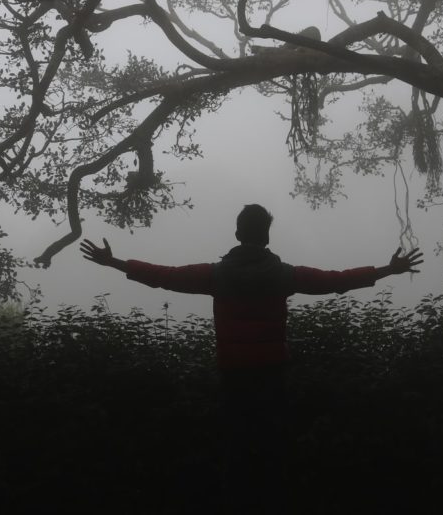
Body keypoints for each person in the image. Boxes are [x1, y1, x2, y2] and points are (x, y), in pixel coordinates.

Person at [79, 203, 422, 513]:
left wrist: (113, 262)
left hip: (234, 374)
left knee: (238, 449)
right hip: (272, 373)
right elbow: (335, 281)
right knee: (272, 449)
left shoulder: (216, 275)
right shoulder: (284, 274)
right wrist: (387, 270)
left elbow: (164, 277)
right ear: (266, 236)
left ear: (238, 234)